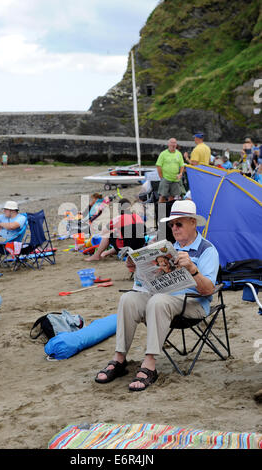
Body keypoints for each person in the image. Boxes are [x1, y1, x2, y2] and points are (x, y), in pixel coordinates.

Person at [95, 199, 219, 392]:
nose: (174, 228)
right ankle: (119, 359)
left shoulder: (207, 250)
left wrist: (193, 269)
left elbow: (209, 290)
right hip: (162, 298)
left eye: (179, 224)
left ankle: (150, 364)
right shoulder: (167, 247)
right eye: (171, 225)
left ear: (193, 223)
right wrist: (137, 269)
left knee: (158, 301)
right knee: (128, 298)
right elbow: (147, 283)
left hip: (193, 303)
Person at [156, 137, 185, 203]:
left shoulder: (179, 154)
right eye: (172, 143)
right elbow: (158, 166)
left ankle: (170, 212)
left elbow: (182, 165)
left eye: (175, 143)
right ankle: (161, 213)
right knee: (162, 196)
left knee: (172, 197)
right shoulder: (163, 154)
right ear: (168, 144)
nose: (173, 144)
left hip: (175, 180)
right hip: (165, 179)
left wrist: (180, 174)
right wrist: (161, 177)